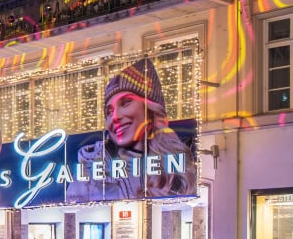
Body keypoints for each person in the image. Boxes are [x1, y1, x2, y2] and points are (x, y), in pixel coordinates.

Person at [65, 59, 195, 204]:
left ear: (150, 108)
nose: (115, 117)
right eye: (109, 111)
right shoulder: (90, 168)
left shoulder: (178, 166)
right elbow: (71, 210)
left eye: (125, 103)